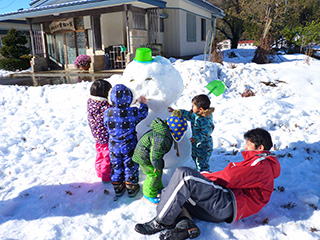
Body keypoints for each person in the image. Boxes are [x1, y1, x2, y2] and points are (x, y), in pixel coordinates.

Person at [134, 128, 281, 240]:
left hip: (227, 204)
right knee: (172, 191)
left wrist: (205, 177)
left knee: (184, 175)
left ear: (260, 148)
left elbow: (230, 177)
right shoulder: (260, 164)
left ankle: (161, 221)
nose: (245, 148)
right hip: (222, 209)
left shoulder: (261, 165)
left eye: (248, 145)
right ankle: (186, 224)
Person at [132, 112, 188, 204]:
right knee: (153, 174)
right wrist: (157, 166)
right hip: (144, 157)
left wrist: (158, 166)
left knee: (158, 171)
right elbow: (155, 155)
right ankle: (149, 194)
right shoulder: (162, 139)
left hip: (149, 155)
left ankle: (157, 187)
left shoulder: (163, 131)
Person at [104, 84, 148, 198]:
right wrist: (143, 103)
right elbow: (143, 113)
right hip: (129, 144)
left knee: (116, 165)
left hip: (114, 145)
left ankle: (117, 186)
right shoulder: (133, 112)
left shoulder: (107, 113)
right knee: (130, 164)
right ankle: (131, 186)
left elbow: (106, 124)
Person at [168, 94, 215, 172]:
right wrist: (176, 112)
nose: (192, 107)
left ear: (200, 109)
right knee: (195, 157)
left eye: (193, 106)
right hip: (196, 144)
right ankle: (199, 170)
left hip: (204, 146)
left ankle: (205, 176)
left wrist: (196, 138)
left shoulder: (205, 120)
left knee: (202, 163)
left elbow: (206, 133)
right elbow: (189, 115)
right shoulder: (197, 115)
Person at [87, 79, 112, 183]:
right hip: (106, 137)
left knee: (100, 153)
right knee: (107, 157)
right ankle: (106, 176)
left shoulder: (91, 102)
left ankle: (98, 171)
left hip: (97, 136)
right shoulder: (105, 107)